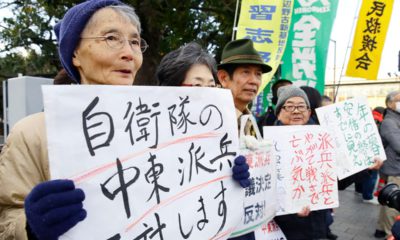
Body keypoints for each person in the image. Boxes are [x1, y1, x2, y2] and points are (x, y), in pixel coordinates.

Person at [0, 2, 249, 239]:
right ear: (74, 53)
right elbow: (7, 219)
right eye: (111, 38)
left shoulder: (166, 123)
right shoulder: (32, 132)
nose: (129, 53)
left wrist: (224, 179)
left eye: (135, 42)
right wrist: (31, 227)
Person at [217, 38, 272, 240]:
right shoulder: (210, 122)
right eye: (246, 72)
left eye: (258, 74)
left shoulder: (251, 121)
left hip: (247, 223)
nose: (254, 81)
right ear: (224, 78)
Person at [375, 91, 400, 238]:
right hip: (394, 169)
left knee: (388, 202)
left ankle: (381, 229)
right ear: (390, 104)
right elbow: (398, 145)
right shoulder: (390, 122)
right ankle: (390, 234)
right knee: (394, 205)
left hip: (394, 168)